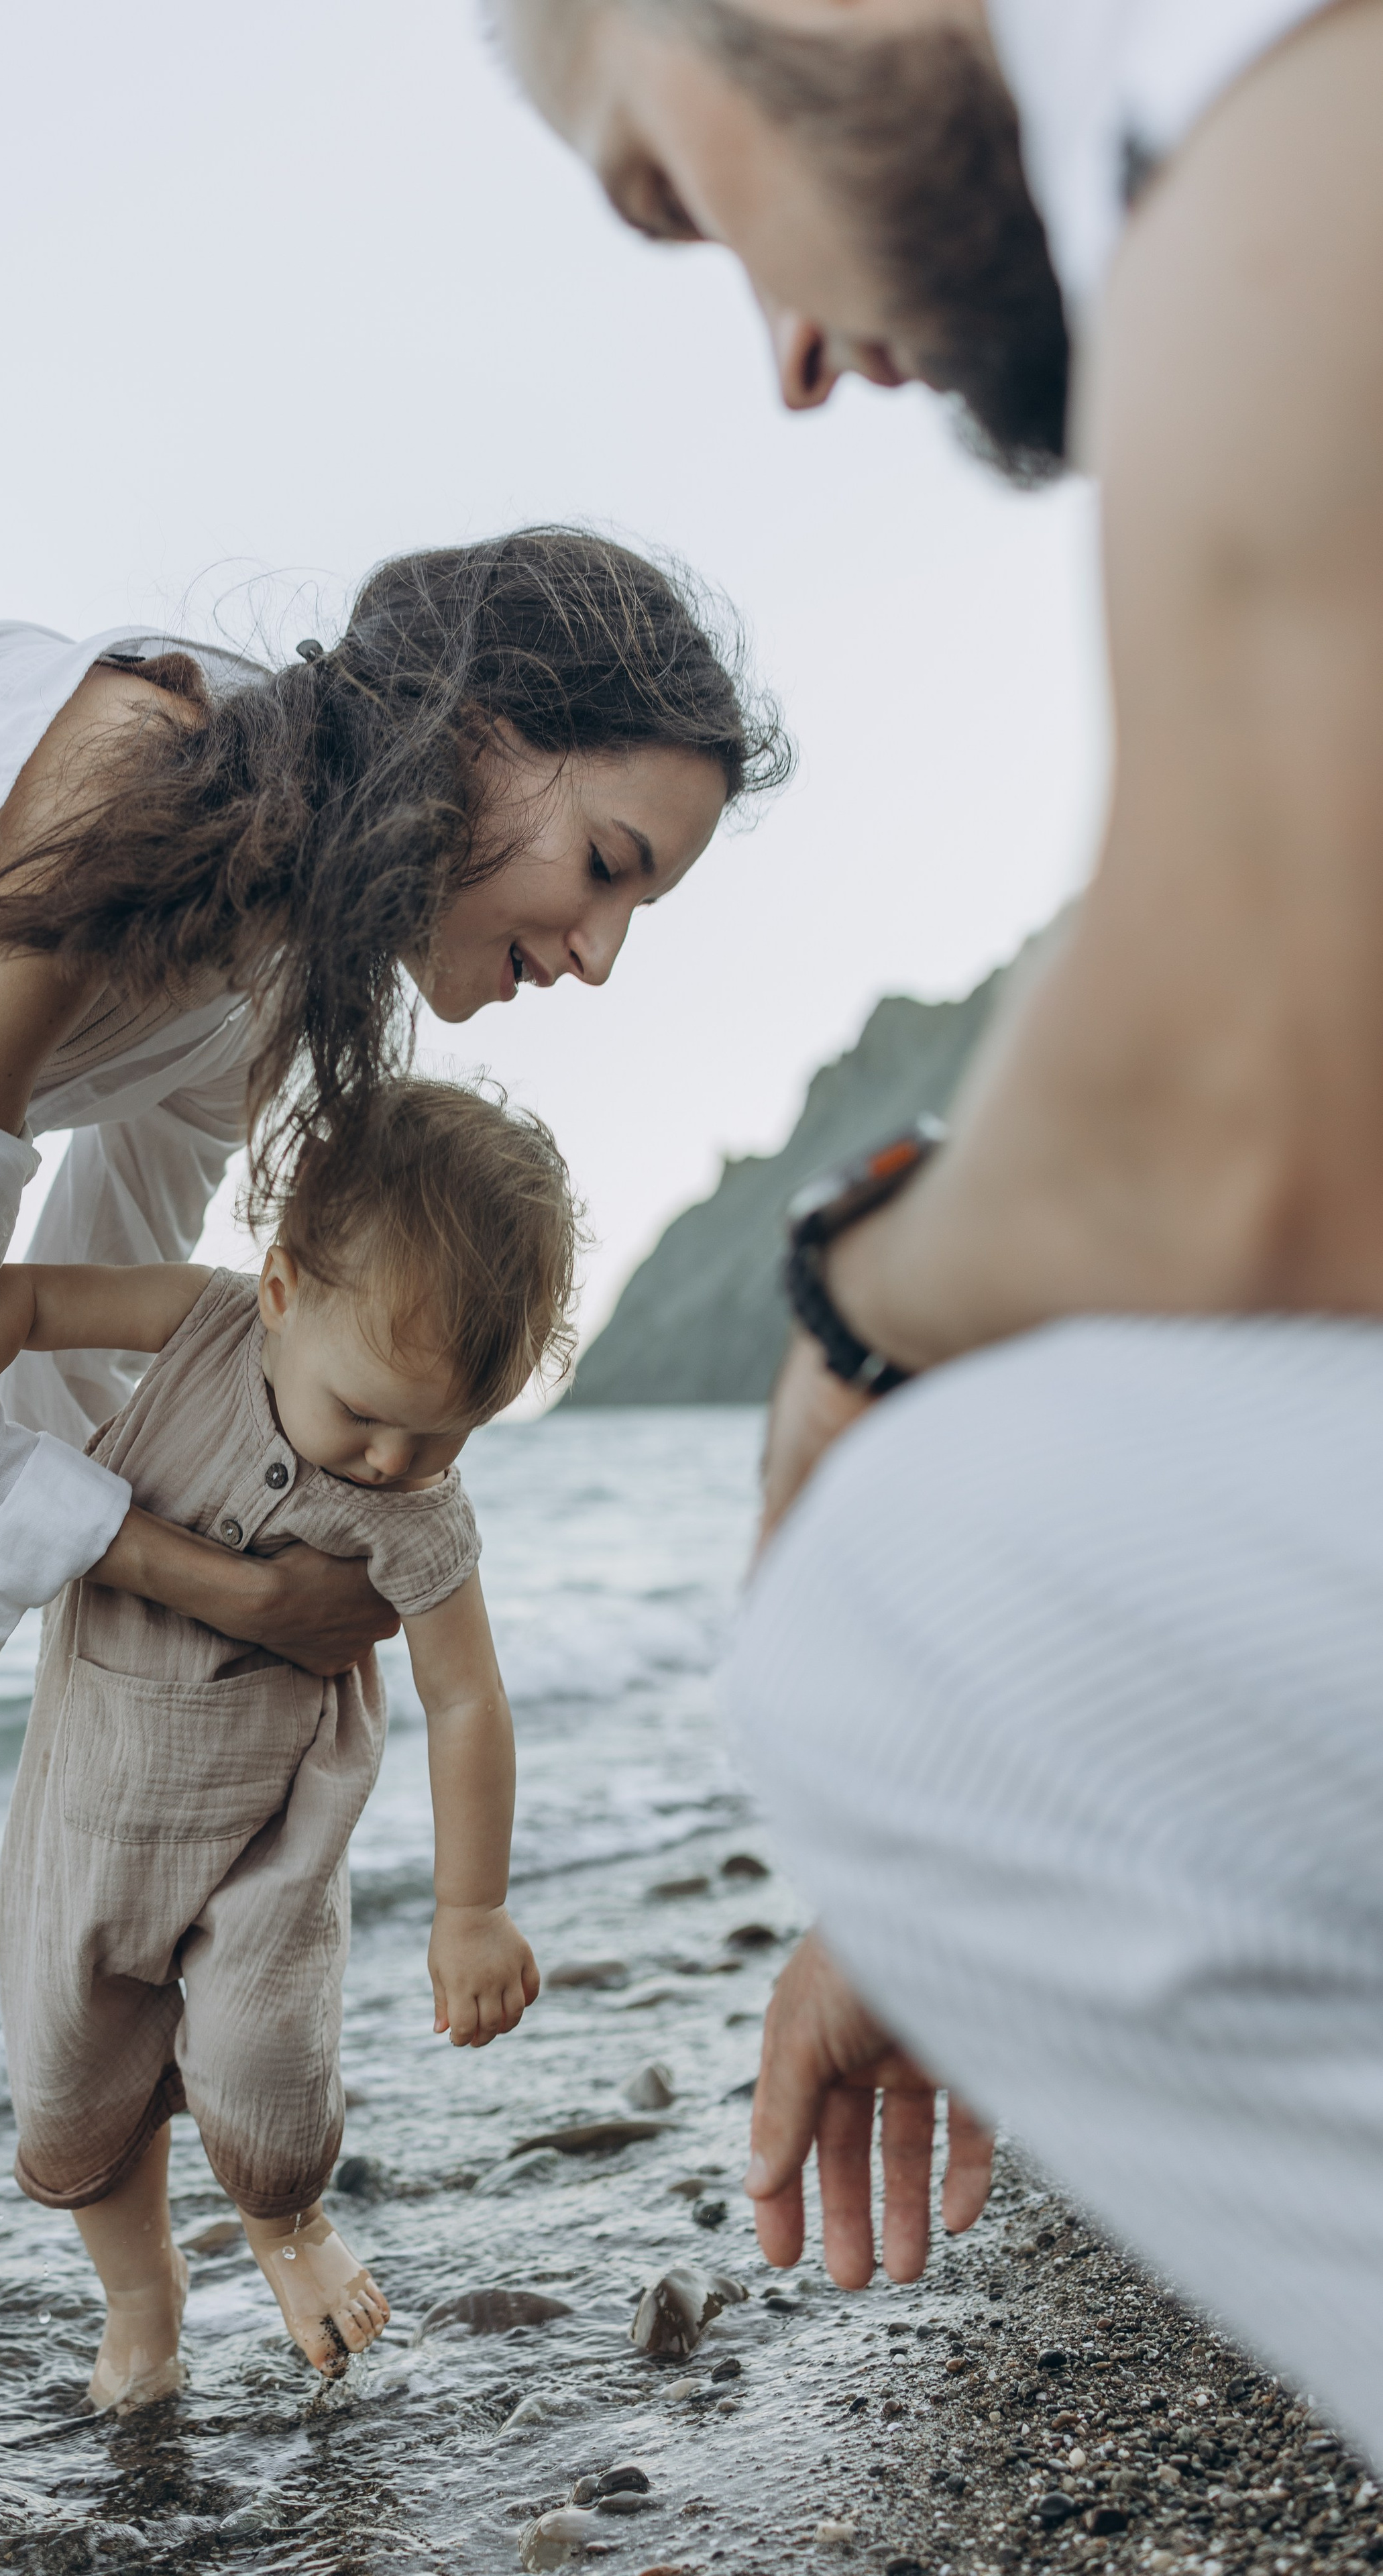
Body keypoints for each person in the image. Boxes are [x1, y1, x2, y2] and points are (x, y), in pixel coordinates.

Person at [0, 539, 779, 2569]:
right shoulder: (116, 798)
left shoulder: (291, 947)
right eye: (606, 866)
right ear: (486, 747)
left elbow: (116, 1315)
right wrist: (233, 1596)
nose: (603, 957)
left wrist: (288, 1527)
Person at [491, 0, 1383, 2460]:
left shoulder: (1267, 100)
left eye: (666, 193)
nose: (783, 357)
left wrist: (846, 1311)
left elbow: (1255, 1123)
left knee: (899, 1615)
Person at [0, 1077, 570, 2408]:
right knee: (70, 2076)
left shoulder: (420, 1518)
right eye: (369, 1415)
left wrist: (474, 1909)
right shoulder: (205, 1322)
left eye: (444, 1433)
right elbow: (29, 1297)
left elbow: (467, 1700)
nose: (396, 1461)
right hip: (93, 1798)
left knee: (266, 2066)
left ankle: (285, 2225)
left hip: (274, 1830)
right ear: (280, 1292)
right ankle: (140, 2296)